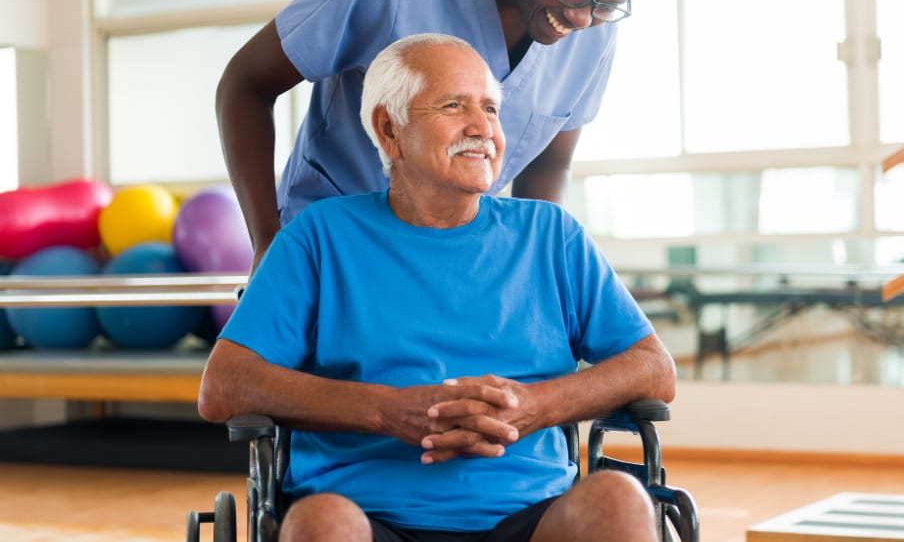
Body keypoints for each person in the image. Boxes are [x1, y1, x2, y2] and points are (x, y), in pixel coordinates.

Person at [198, 33, 677, 542]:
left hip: (530, 514)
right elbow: (224, 385)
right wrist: (386, 411)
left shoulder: (551, 236)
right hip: (368, 515)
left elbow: (653, 368)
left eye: (491, 108)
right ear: (389, 130)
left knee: (619, 502)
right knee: (320, 524)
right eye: (454, 105)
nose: (483, 128)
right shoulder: (319, 236)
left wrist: (536, 405)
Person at [216, 0, 655, 271]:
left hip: (449, 268)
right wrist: (267, 241)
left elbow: (548, 166)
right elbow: (247, 83)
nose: (580, 18)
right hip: (329, 256)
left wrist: (536, 273)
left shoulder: (595, 31)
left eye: (607, 6)